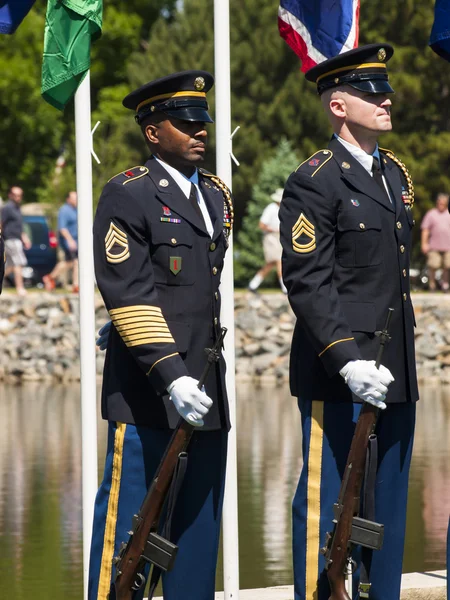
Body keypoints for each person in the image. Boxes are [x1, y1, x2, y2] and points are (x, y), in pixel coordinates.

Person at [279, 44, 418, 600]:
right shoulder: (315, 180)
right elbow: (308, 282)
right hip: (341, 376)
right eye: (371, 92)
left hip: (395, 371)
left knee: (387, 511)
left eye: (386, 89)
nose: (387, 99)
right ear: (338, 105)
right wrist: (348, 361)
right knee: (326, 506)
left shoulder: (393, 175)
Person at [88, 71, 233, 600]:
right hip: (149, 392)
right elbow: (128, 293)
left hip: (206, 390)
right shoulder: (129, 193)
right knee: (127, 539)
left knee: (196, 539)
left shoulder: (215, 198)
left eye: (203, 122)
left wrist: (196, 381)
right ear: (152, 132)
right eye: (186, 123)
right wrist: (171, 375)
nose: (200, 132)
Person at [248, 188, 287, 294]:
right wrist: (275, 229)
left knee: (271, 263)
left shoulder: (283, 209)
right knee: (279, 261)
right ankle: (285, 288)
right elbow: (262, 225)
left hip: (278, 237)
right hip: (271, 237)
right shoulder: (271, 208)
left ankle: (253, 284)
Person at [43, 191, 79, 292]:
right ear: (68, 199)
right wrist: (70, 240)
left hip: (76, 241)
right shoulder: (64, 210)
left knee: (68, 262)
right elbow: (62, 228)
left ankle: (50, 277)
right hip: (68, 241)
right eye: (74, 198)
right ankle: (76, 285)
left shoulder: (76, 210)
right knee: (76, 262)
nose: (76, 200)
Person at [1, 186, 31, 296]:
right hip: (10, 239)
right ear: (10, 195)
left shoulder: (17, 208)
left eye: (19, 195)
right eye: (15, 195)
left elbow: (19, 226)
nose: (18, 197)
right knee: (19, 263)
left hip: (17, 239)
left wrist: (24, 237)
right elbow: (1, 223)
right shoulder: (7, 208)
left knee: (9, 266)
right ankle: (20, 288)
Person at [420, 192, 450, 291]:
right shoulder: (431, 214)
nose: (440, 204)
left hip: (448, 246)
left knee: (447, 265)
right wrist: (424, 243)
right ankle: (432, 285)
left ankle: (445, 285)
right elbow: (425, 230)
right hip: (434, 245)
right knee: (433, 265)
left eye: (443, 203)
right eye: (439, 202)